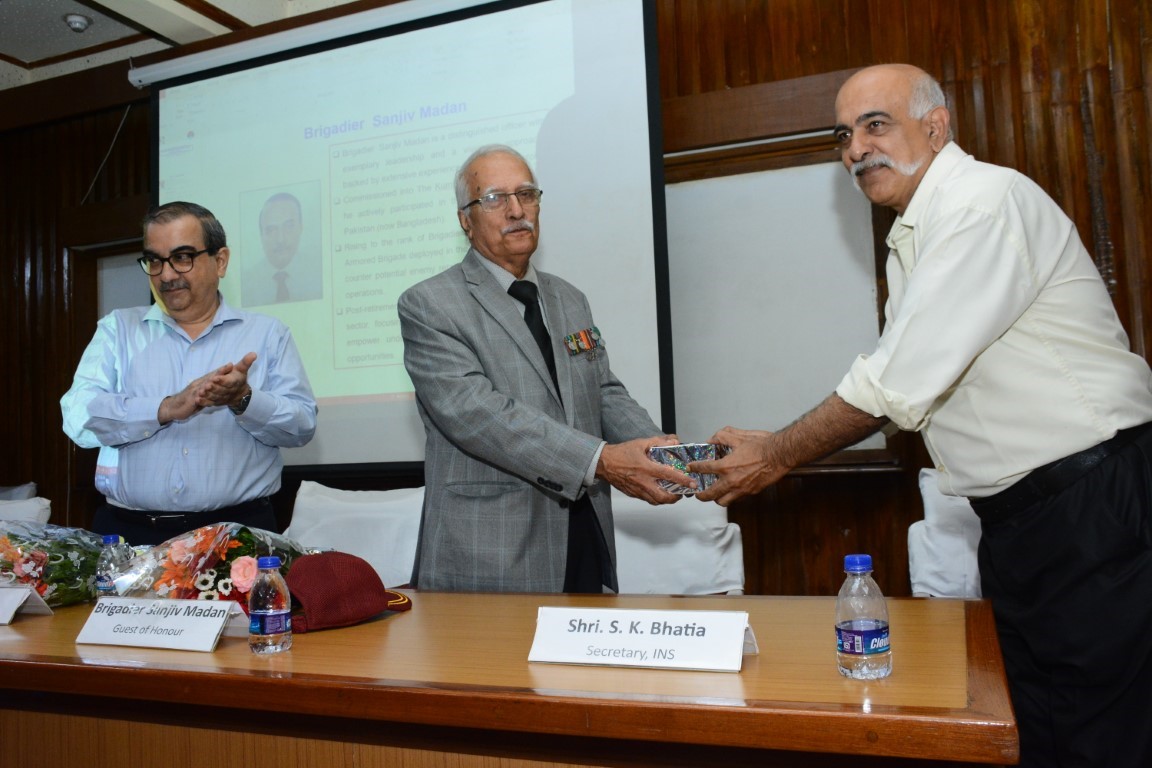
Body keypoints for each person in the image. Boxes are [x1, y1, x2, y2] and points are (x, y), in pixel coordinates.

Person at [691, 64, 1152, 768]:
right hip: (1023, 522)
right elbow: (906, 383)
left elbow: (893, 385)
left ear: (937, 127)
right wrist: (774, 442)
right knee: (1036, 729)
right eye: (843, 135)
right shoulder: (917, 230)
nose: (855, 149)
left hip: (1088, 508)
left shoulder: (979, 205)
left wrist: (778, 453)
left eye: (875, 125)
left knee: (1103, 736)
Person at [397, 144, 688, 594]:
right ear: (465, 220)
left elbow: (603, 392)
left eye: (527, 194)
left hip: (584, 535)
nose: (516, 210)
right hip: (492, 551)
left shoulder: (569, 298)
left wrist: (663, 453)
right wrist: (601, 461)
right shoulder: (430, 304)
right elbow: (478, 415)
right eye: (494, 198)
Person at [61, 201, 318, 545]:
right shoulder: (117, 330)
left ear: (220, 261)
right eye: (155, 260)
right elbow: (77, 417)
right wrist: (165, 408)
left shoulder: (268, 334)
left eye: (182, 257)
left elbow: (301, 426)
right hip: (129, 535)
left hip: (237, 534)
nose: (166, 275)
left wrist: (243, 399)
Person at [244, 191, 322, 305]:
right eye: (271, 230)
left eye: (289, 226)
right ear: (261, 235)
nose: (280, 239)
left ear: (301, 227)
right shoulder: (248, 284)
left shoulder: (318, 274)